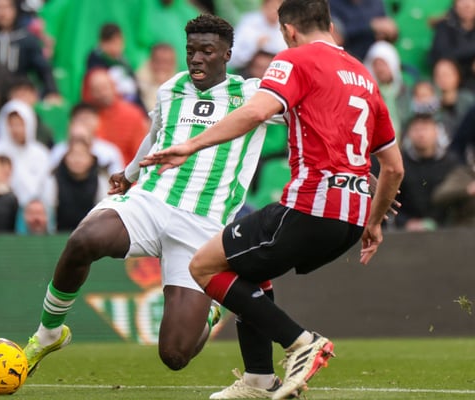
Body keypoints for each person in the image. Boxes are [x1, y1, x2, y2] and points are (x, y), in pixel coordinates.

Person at [141, 1, 404, 398]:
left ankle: (300, 342)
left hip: (311, 206)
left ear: (289, 31)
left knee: (204, 266)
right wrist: (375, 221)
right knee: (247, 271)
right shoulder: (364, 76)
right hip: (351, 219)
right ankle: (259, 380)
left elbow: (255, 112)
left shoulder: (294, 59)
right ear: (331, 26)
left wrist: (190, 145)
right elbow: (394, 168)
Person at [22, 14, 278, 385]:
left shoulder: (254, 96)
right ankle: (49, 333)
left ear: (227, 54)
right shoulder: (171, 88)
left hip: (203, 225)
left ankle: (210, 310)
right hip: (150, 201)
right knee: (84, 239)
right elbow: (156, 135)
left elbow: (306, 114)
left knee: (175, 355)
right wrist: (129, 175)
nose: (196, 59)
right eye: (191, 50)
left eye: (207, 51)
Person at [0, 99, 50, 207]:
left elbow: (46, 187)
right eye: (11, 124)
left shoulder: (41, 153)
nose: (16, 130)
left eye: (20, 124)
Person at [0, 0, 61, 102]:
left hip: (19, 93)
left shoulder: (27, 39)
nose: (2, 13)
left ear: (15, 10)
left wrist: (52, 91)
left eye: (6, 7)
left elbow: (43, 69)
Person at [395, 113, 458, 231]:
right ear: (409, 133)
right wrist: (406, 222)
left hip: (447, 230)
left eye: (425, 129)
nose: (421, 134)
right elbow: (391, 201)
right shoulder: (399, 163)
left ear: (436, 132)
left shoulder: (451, 163)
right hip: (407, 231)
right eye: (416, 129)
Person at [81, 67, 150, 164]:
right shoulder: (83, 117)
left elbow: (140, 155)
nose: (103, 93)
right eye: (97, 90)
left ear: (114, 87)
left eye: (105, 87)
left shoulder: (132, 115)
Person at [42, 137, 110, 232]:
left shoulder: (100, 181)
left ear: (91, 159)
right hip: (59, 234)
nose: (77, 160)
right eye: (73, 155)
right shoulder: (53, 181)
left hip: (91, 235)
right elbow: (48, 213)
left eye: (82, 155)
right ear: (65, 158)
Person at [48, 103, 124, 175]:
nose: (84, 122)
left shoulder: (108, 152)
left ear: (97, 121)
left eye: (88, 118)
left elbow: (117, 180)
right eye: (80, 118)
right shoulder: (59, 150)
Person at [86, 23, 145, 111]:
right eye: (115, 42)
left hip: (133, 103)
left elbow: (135, 86)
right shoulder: (96, 60)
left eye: (121, 42)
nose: (120, 46)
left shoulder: (122, 60)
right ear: (104, 43)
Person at [329, 0, 398, 61]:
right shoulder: (333, 3)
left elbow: (387, 27)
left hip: (372, 57)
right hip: (347, 56)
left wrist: (387, 32)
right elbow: (337, 35)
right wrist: (370, 25)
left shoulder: (376, 3)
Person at [429, 0, 475, 92]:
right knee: (444, 66)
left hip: (471, 76)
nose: (467, 5)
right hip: (454, 76)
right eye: (462, 1)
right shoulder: (444, 25)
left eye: (471, 1)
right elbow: (442, 53)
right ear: (455, 5)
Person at [228, 0, 286, 71]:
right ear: (264, 7)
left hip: (277, 69)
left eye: (279, 9)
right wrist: (254, 47)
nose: (274, 11)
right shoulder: (249, 22)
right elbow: (232, 56)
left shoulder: (287, 26)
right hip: (247, 69)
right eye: (272, 7)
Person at [135, 43, 178, 112]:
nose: (162, 67)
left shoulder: (181, 91)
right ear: (150, 62)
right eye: (158, 62)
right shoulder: (135, 87)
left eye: (167, 62)